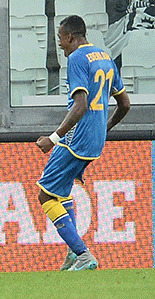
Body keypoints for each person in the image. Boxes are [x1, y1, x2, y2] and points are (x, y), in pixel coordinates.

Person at [36, 15, 130, 272]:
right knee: (61, 193)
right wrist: (103, 128)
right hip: (94, 140)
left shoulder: (76, 58)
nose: (60, 45)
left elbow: (80, 106)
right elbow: (125, 104)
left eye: (60, 39)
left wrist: (52, 139)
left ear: (70, 37)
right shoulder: (105, 56)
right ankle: (73, 253)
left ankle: (83, 254)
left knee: (45, 195)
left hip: (75, 139)